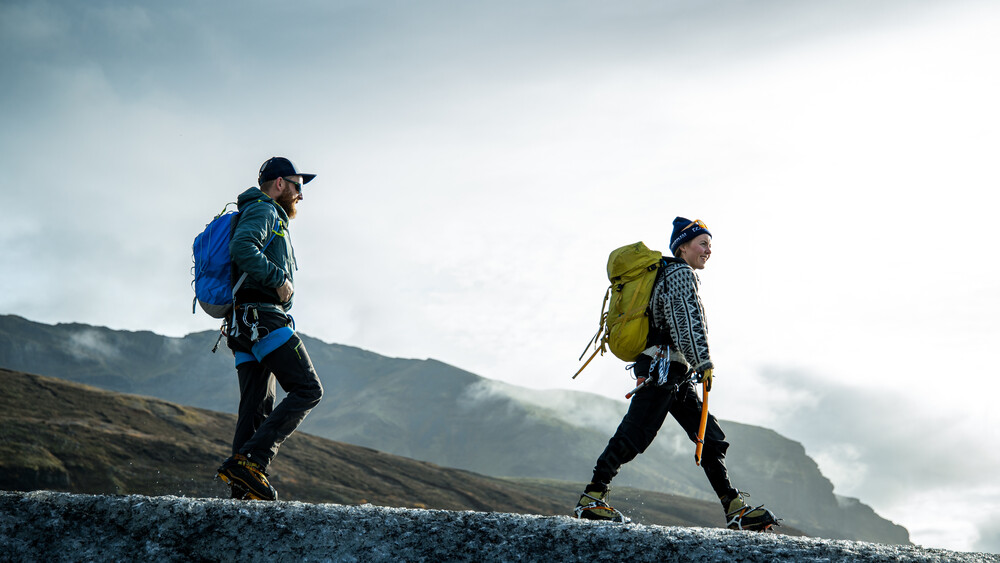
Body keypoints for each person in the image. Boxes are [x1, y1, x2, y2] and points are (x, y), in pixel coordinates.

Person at [574, 217, 778, 531]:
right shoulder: (680, 274)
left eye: (710, 245)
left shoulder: (667, 275)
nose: (708, 250)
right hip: (665, 367)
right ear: (682, 247)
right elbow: (686, 320)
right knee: (636, 432)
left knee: (708, 436)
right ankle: (592, 496)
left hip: (672, 369)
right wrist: (704, 363)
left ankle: (734, 507)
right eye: (703, 243)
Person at [216, 156, 324, 501]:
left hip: (241, 325)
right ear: (280, 184)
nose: (300, 195)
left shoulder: (258, 211)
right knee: (308, 389)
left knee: (254, 408)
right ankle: (252, 462)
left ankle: (242, 492)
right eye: (298, 186)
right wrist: (279, 280)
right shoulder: (266, 211)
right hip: (262, 317)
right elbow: (242, 248)